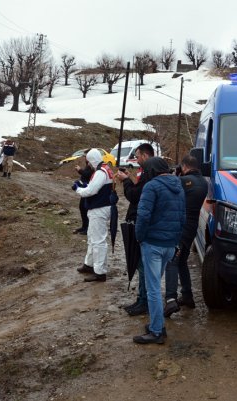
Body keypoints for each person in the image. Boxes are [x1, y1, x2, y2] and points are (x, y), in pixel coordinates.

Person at [133, 157, 185, 344]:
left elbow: (143, 215)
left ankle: (156, 331)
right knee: (155, 285)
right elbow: (182, 217)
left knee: (153, 288)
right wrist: (177, 242)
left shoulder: (151, 186)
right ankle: (157, 324)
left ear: (152, 170)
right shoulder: (179, 186)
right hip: (170, 245)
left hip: (153, 244)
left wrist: (139, 237)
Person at [163, 155, 208, 317]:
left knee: (172, 260)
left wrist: (176, 176)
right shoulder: (203, 182)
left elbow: (169, 191)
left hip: (180, 226)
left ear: (184, 166)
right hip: (192, 227)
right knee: (182, 261)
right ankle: (187, 296)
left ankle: (171, 300)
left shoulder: (183, 181)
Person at [115, 143, 154, 316]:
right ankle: (141, 299)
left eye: (137, 157)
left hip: (142, 224)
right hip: (141, 223)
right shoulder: (150, 173)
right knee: (140, 264)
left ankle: (144, 302)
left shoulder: (150, 174)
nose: (137, 160)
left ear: (145, 156)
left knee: (142, 265)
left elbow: (134, 196)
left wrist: (125, 181)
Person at [73, 149, 113, 282]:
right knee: (92, 237)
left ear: (93, 160)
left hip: (99, 208)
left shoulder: (101, 172)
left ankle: (100, 272)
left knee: (98, 241)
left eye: (89, 161)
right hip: (99, 207)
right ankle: (89, 264)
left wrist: (78, 189)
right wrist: (84, 185)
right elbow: (95, 186)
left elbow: (91, 191)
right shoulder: (103, 169)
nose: (88, 164)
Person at [73, 158, 94, 234]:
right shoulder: (88, 164)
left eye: (86, 156)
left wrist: (80, 170)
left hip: (88, 189)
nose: (85, 157)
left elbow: (87, 174)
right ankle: (84, 226)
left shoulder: (92, 165)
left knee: (85, 208)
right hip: (84, 188)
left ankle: (88, 228)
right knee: (82, 207)